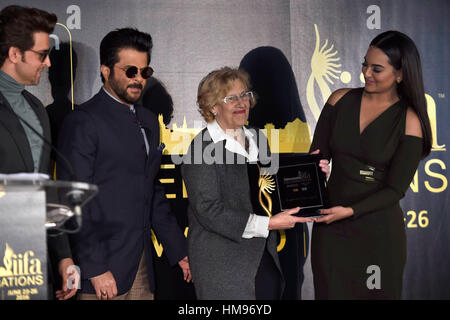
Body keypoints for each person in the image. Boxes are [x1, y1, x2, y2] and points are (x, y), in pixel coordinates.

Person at [57, 27, 191, 300]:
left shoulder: (149, 121)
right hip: (101, 270)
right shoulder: (83, 121)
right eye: (131, 71)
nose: (139, 79)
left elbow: (151, 192)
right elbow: (75, 200)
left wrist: (179, 250)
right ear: (106, 70)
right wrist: (94, 268)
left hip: (140, 267)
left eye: (145, 72)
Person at [181, 67, 328, 300]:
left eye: (244, 94)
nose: (242, 103)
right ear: (213, 106)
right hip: (222, 263)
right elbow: (208, 210)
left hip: (263, 254)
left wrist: (315, 176)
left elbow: (274, 187)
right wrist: (267, 224)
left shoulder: (256, 137)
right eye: (231, 98)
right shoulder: (201, 149)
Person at [309, 30, 432, 299]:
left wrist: (350, 210)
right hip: (330, 230)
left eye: (377, 69)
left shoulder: (410, 120)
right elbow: (316, 157)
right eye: (365, 64)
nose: (366, 73)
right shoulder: (339, 100)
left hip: (378, 235)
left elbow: (395, 190)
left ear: (400, 75)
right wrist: (316, 171)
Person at [0, 5, 78, 300]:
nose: (47, 64)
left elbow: (43, 188)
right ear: (14, 54)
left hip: (33, 264)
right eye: (42, 55)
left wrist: (63, 257)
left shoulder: (37, 111)